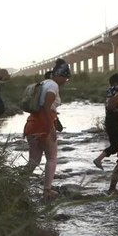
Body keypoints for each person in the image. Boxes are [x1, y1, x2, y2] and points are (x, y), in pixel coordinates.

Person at [24, 58, 70, 201]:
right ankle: (47, 190)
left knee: (34, 160)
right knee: (52, 157)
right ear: (60, 75)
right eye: (66, 78)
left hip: (32, 123)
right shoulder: (53, 86)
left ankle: (17, 184)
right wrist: (51, 128)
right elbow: (46, 105)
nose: (65, 81)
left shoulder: (43, 83)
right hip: (44, 124)